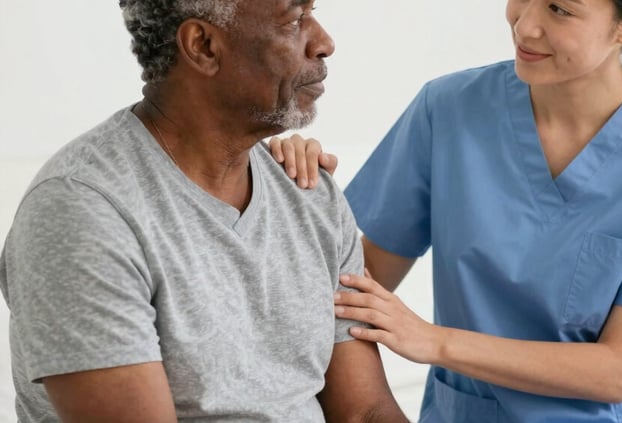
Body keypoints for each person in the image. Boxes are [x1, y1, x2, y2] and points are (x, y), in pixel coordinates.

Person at [271, 0, 622, 421]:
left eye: (559, 9)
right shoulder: (448, 109)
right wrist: (293, 191)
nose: (526, 25)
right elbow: (352, 288)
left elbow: (618, 372)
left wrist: (433, 340)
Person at [0, 1, 410, 422]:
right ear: (204, 46)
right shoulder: (82, 210)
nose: (324, 43)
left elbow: (366, 411)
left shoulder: (310, 192)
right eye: (293, 19)